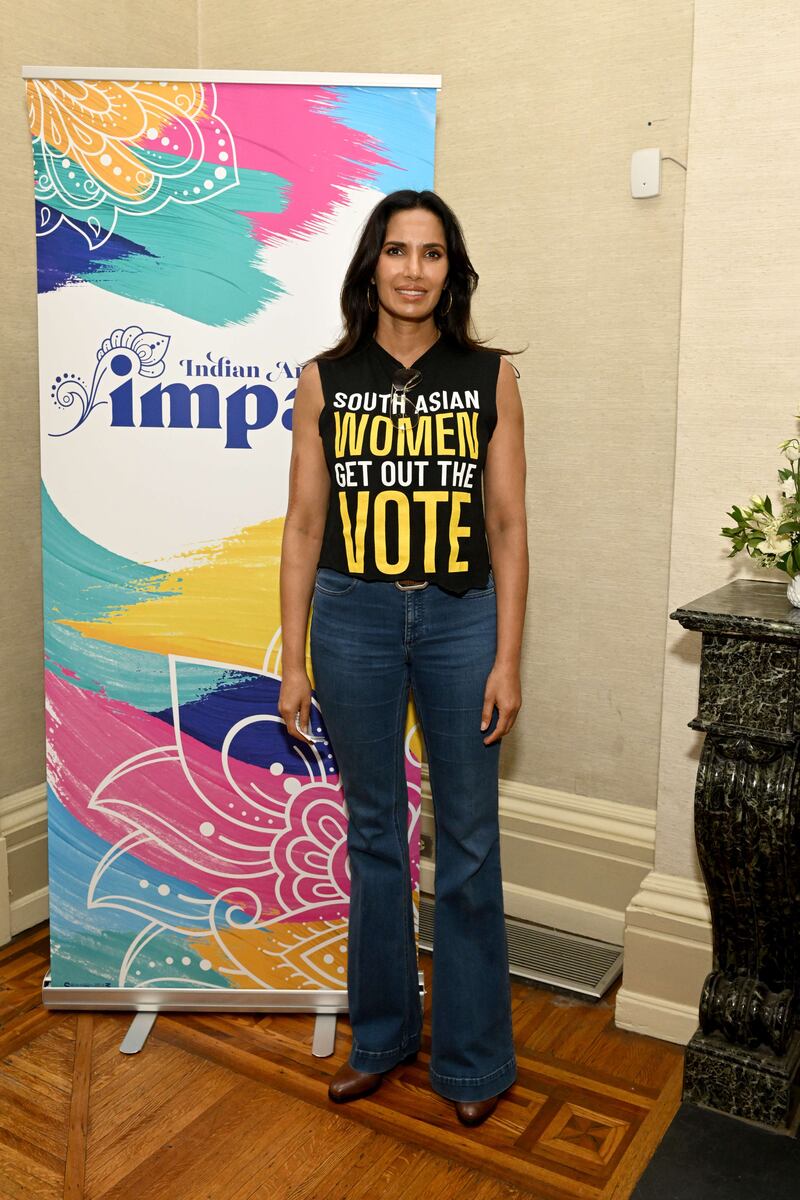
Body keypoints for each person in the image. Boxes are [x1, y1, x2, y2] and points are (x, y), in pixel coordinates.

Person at [278, 189, 528, 1127]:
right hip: (354, 620)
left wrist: (508, 656)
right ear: (371, 266)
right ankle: (381, 1038)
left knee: (467, 842)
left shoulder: (489, 377)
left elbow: (507, 526)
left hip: (464, 622)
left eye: (431, 254)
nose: (413, 270)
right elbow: (306, 524)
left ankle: (471, 1062)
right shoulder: (325, 379)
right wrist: (295, 661)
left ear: (449, 270)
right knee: (376, 835)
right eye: (397, 251)